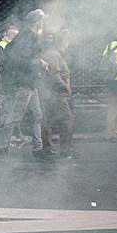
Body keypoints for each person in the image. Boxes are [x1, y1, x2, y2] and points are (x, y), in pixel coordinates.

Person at [0, 9, 52, 161]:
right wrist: (39, 63)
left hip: (30, 82)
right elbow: (19, 60)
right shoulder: (27, 36)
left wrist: (39, 62)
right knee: (15, 116)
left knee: (36, 115)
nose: (43, 23)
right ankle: (1, 148)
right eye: (42, 20)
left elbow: (25, 57)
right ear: (37, 21)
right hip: (25, 82)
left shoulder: (27, 35)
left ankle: (38, 148)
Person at [40, 29, 75, 158]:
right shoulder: (55, 55)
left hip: (47, 93)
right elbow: (54, 75)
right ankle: (66, 150)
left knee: (47, 120)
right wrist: (65, 87)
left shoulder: (50, 53)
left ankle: (47, 149)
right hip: (56, 93)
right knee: (67, 120)